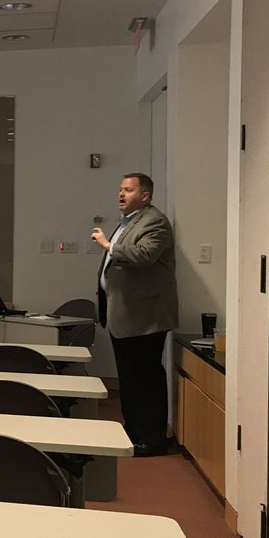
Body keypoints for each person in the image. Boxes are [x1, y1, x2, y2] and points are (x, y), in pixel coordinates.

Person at [91, 172, 178, 457]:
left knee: (146, 379)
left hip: (145, 317)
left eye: (128, 190)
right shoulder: (128, 222)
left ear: (145, 195)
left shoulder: (155, 222)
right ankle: (133, 430)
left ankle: (152, 440)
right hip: (123, 314)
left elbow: (144, 256)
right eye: (120, 189)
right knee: (129, 378)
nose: (121, 194)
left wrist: (108, 246)